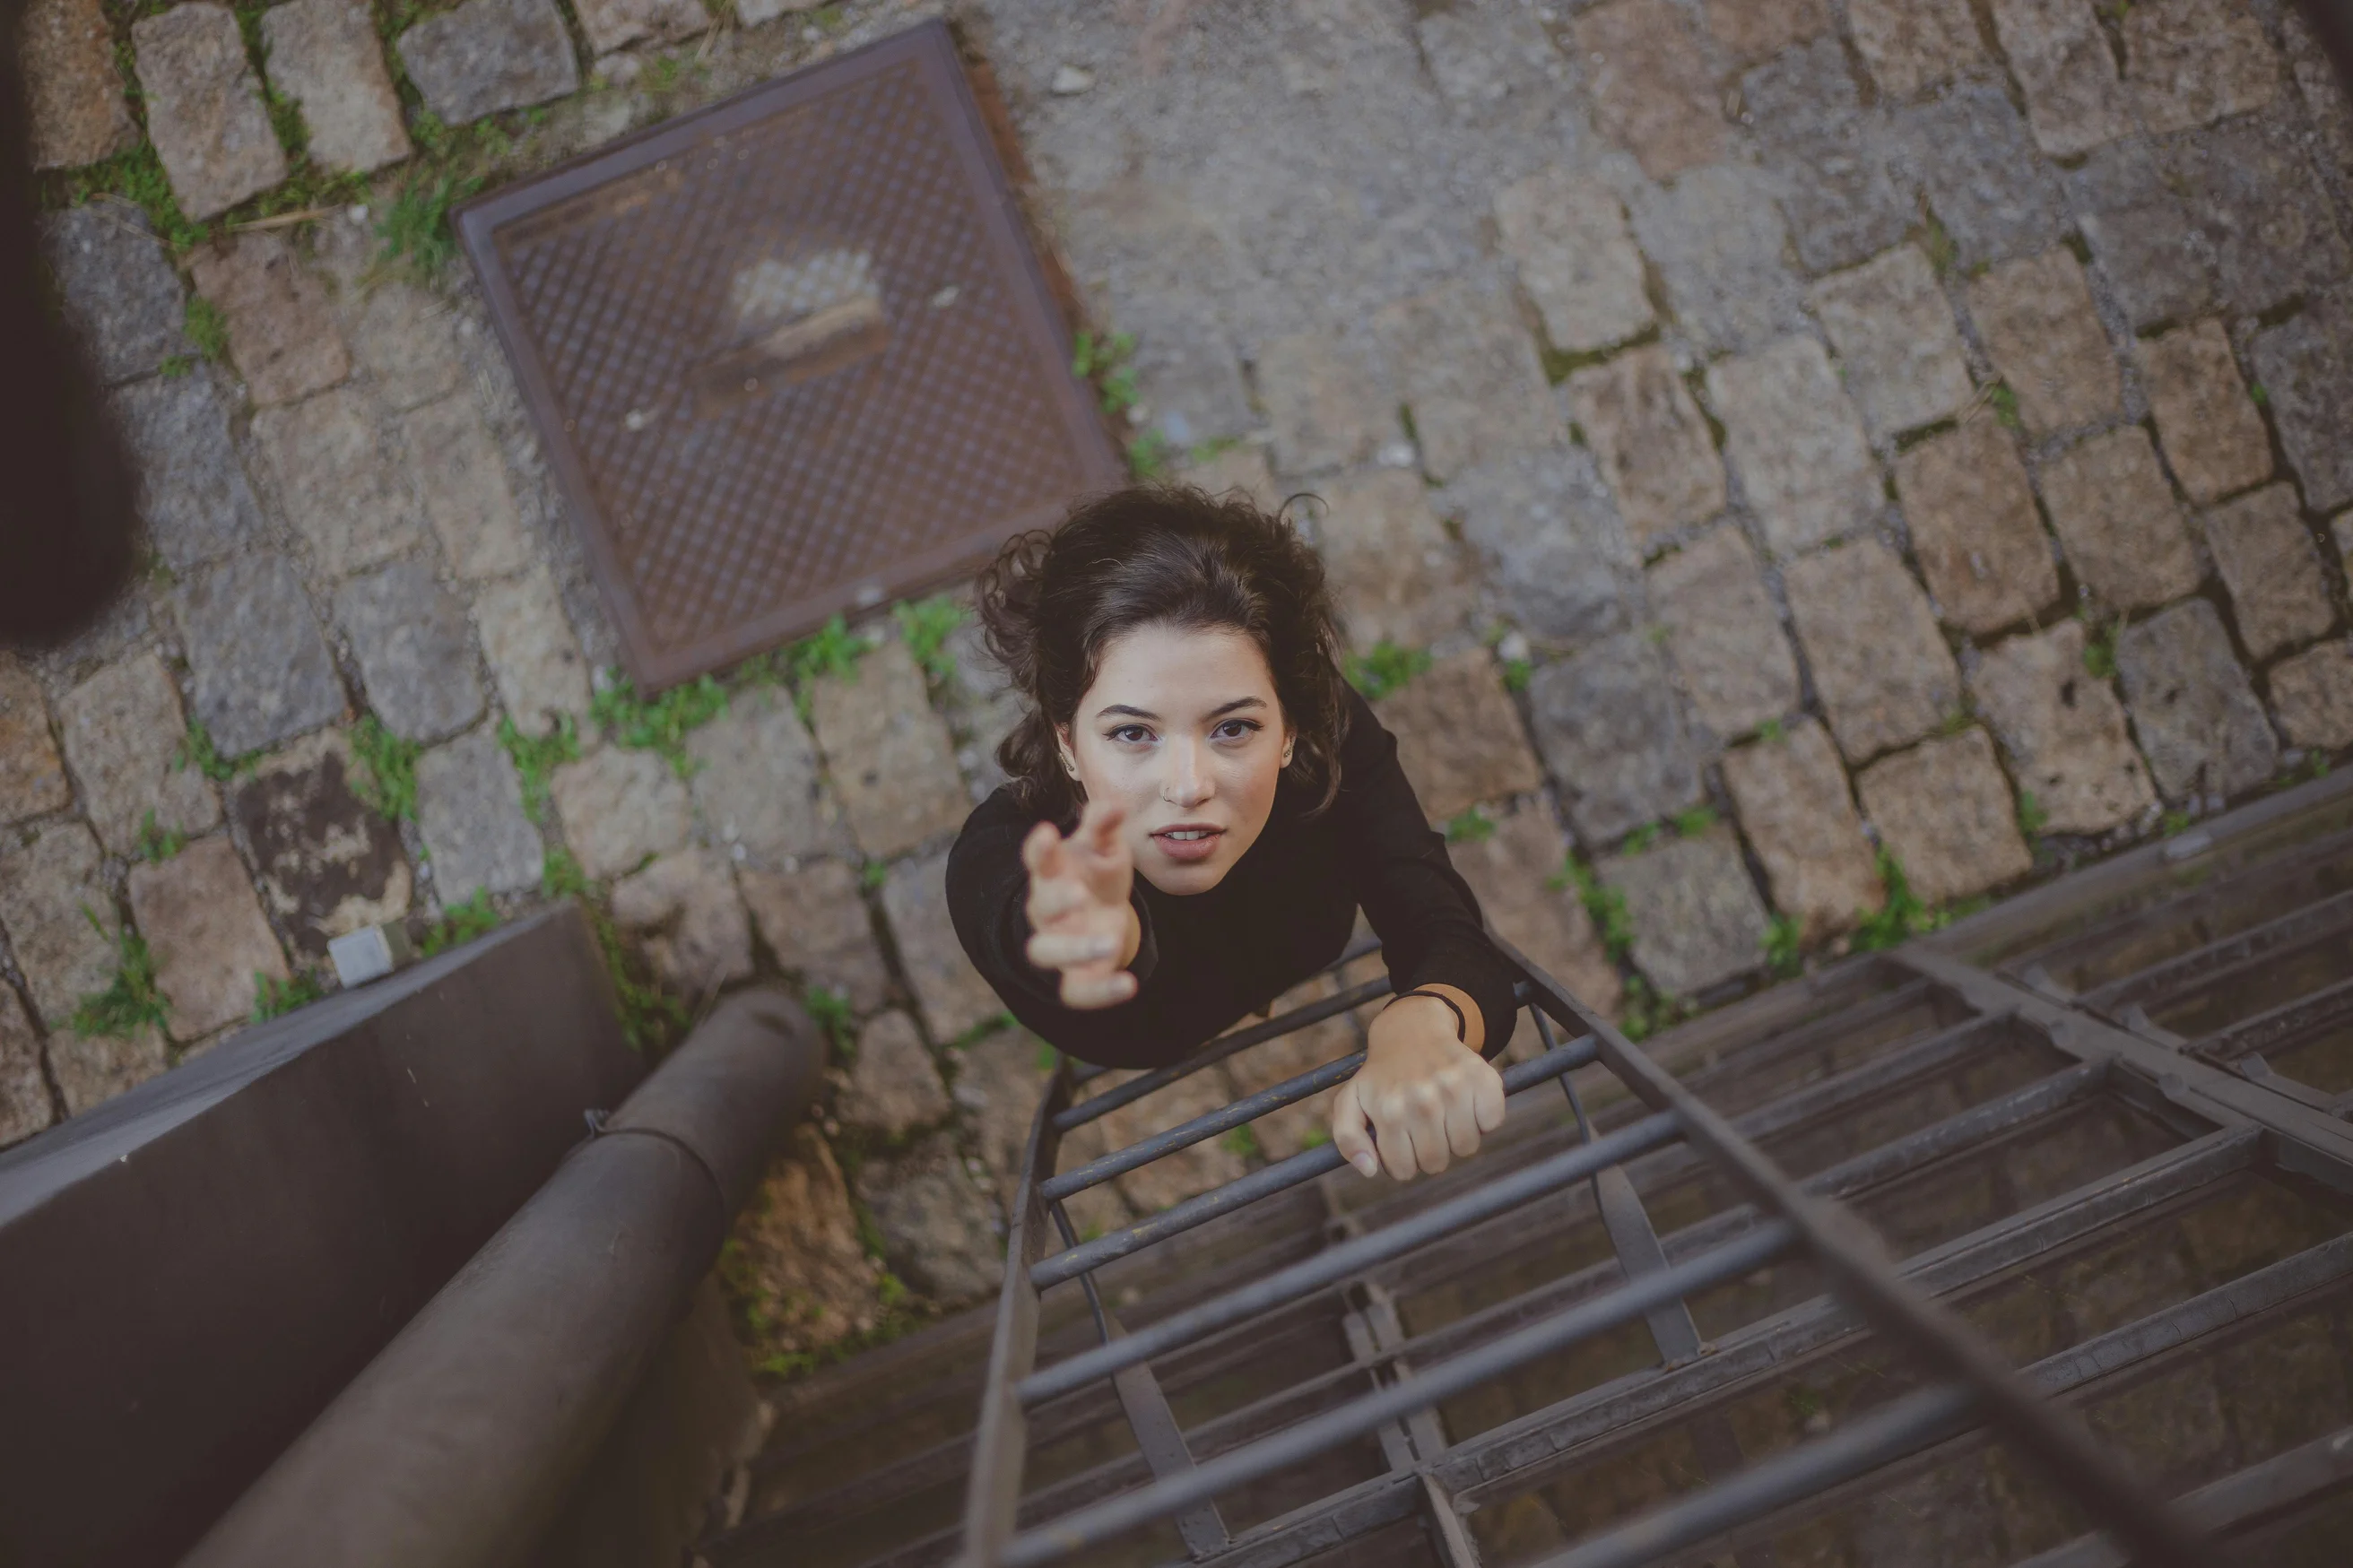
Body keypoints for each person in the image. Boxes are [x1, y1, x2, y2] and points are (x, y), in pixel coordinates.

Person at [946, 484, 1522, 1182]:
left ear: (1291, 730)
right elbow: (1010, 905)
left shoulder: (1326, 739)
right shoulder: (1000, 847)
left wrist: (1425, 1019)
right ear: (1067, 741)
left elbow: (1437, 915)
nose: (1187, 785)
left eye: (1233, 727)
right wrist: (1085, 925)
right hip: (1154, 1029)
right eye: (1133, 732)